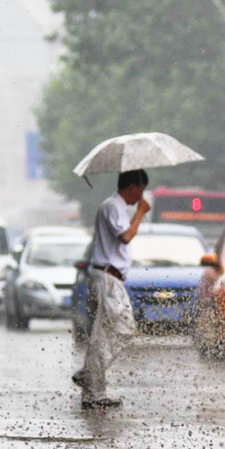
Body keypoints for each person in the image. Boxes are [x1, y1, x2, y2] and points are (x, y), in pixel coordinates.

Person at [72, 169, 151, 410]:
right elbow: (125, 237)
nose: (141, 195)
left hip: (109, 275)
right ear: (133, 187)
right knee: (123, 328)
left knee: (103, 332)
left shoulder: (116, 207)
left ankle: (92, 389)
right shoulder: (113, 206)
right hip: (108, 276)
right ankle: (89, 376)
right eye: (141, 189)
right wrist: (141, 212)